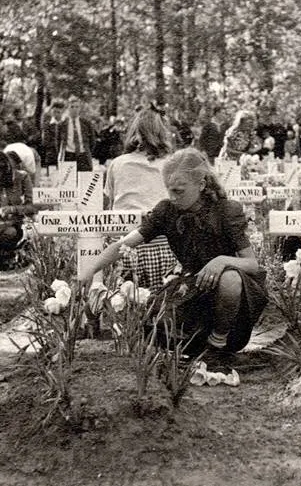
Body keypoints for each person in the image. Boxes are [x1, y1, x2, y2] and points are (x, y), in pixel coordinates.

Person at [81, 148, 267, 366]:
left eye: (180, 191)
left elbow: (252, 264)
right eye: (170, 190)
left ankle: (218, 344)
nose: (173, 197)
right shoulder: (167, 211)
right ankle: (197, 344)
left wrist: (222, 261)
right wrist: (89, 271)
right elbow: (123, 244)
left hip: (235, 292)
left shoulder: (226, 211)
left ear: (202, 184)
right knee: (152, 328)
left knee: (230, 279)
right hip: (194, 285)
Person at [105, 108, 177, 291]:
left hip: (124, 248)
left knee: (126, 306)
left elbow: (111, 204)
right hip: (164, 248)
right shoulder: (171, 164)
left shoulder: (117, 163)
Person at [58, 96, 95, 171]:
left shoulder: (86, 123)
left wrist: (87, 150)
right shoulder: (62, 124)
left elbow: (92, 141)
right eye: (72, 107)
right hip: (68, 155)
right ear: (68, 108)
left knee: (84, 179)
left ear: (80, 108)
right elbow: (58, 141)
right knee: (68, 180)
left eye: (77, 107)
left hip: (83, 155)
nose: (74, 109)